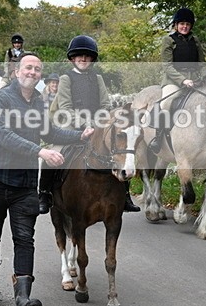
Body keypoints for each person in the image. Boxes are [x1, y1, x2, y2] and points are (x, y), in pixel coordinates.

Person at [0, 52, 93, 306]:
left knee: (24, 239)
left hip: (25, 184)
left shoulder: (40, 103)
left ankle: (23, 299)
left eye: (38, 69)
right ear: (17, 71)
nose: (33, 72)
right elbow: (4, 135)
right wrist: (40, 152)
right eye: (28, 67)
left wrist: (80, 135)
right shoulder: (0, 99)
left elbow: (50, 133)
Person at [40, 35, 140, 214]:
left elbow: (105, 105)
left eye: (87, 56)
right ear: (72, 58)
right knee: (53, 153)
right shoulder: (66, 79)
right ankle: (44, 194)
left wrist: (98, 123)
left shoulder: (98, 78)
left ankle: (125, 195)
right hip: (71, 126)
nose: (83, 59)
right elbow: (65, 107)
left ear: (92, 58)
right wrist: (85, 125)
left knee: (119, 150)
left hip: (98, 124)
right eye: (79, 56)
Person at [148, 7, 206, 153]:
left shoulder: (195, 40)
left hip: (195, 79)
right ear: (176, 25)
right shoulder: (168, 40)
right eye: (182, 23)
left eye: (188, 24)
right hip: (173, 81)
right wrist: (182, 81)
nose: (185, 26)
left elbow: (201, 63)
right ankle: (159, 136)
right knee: (167, 102)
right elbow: (167, 66)